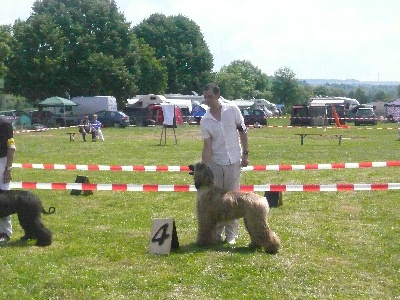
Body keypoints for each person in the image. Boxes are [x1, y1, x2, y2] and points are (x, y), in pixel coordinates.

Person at [200, 83, 249, 245]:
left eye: (210, 97)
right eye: (205, 97)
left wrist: (245, 154)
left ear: (218, 95)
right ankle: (216, 234)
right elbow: (207, 146)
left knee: (232, 200)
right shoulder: (205, 120)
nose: (207, 100)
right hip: (216, 163)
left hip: (234, 160)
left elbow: (242, 131)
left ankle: (232, 235)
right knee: (216, 201)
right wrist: (204, 168)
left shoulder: (233, 110)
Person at [0, 118, 16, 244]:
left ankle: (5, 232)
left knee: (4, 199)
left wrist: (8, 169)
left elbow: (11, 148)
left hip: (2, 162)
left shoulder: (5, 125)